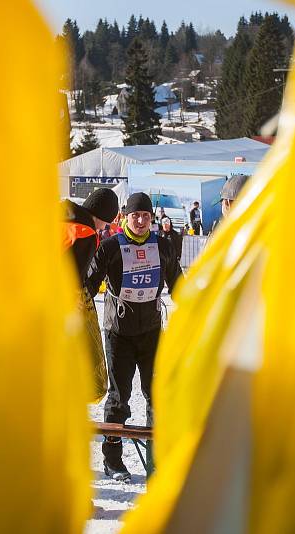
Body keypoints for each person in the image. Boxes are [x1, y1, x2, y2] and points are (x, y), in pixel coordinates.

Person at [86, 192, 182, 481]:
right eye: (135, 215)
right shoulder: (111, 246)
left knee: (157, 397)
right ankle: (113, 462)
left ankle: (156, 461)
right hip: (119, 333)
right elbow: (88, 284)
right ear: (125, 217)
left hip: (151, 332)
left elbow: (179, 284)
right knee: (119, 398)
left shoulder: (163, 246)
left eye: (145, 216)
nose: (140, 221)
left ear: (152, 218)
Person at [63, 188, 119, 399]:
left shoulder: (61, 218)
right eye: (105, 223)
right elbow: (73, 275)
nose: (104, 229)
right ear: (102, 216)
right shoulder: (86, 233)